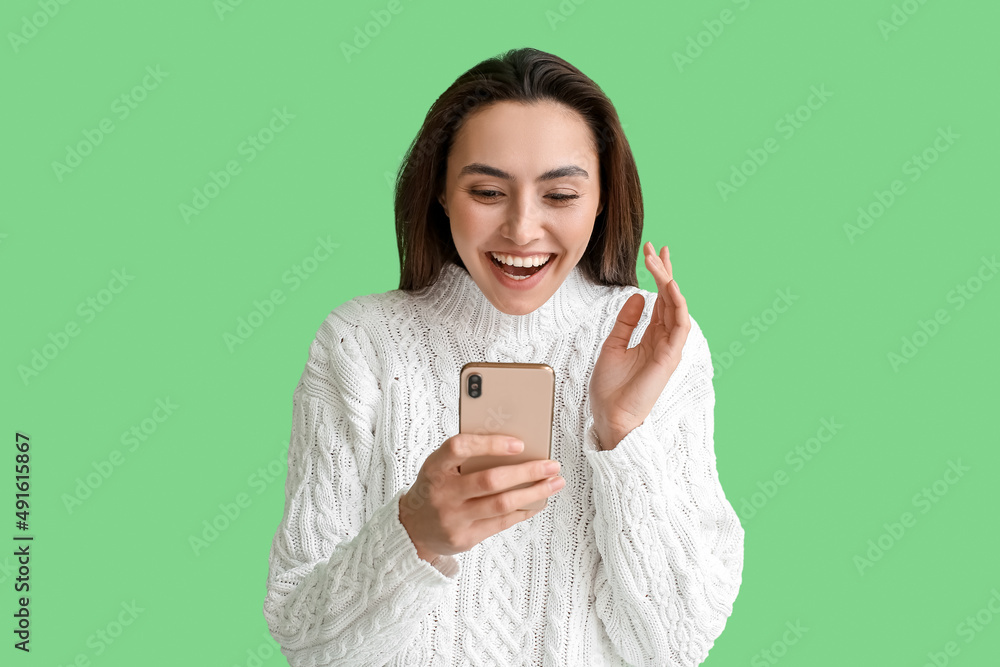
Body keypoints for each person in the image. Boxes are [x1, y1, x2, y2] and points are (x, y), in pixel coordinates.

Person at [262, 47, 744, 667]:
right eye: (488, 191)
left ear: (601, 201)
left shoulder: (652, 341)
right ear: (439, 192)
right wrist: (414, 533)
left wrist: (622, 436)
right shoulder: (363, 342)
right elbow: (305, 640)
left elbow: (677, 643)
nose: (522, 229)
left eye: (561, 194)